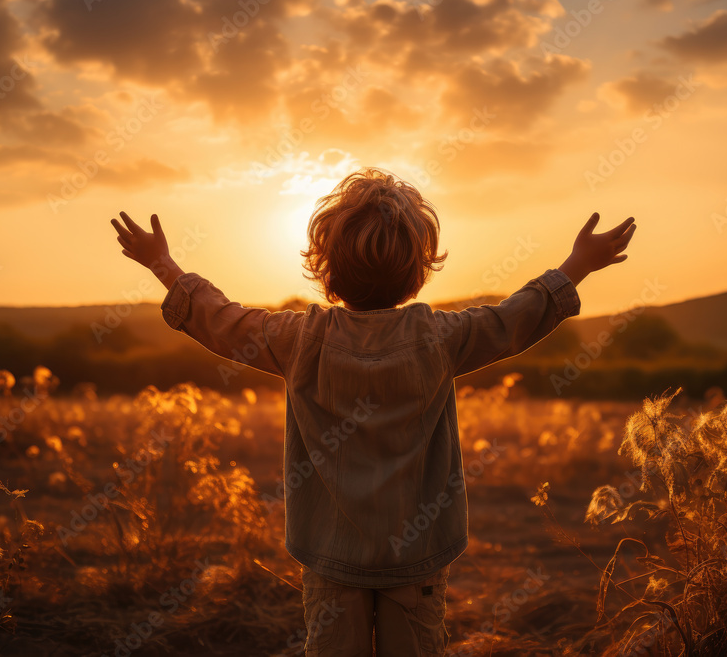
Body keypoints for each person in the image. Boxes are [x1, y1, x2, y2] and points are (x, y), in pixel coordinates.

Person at [110, 166, 636, 656]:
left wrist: (162, 262)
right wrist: (577, 266)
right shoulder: (440, 337)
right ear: (418, 268)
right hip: (418, 559)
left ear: (326, 266)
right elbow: (513, 319)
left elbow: (220, 321)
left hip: (331, 558)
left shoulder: (297, 339)